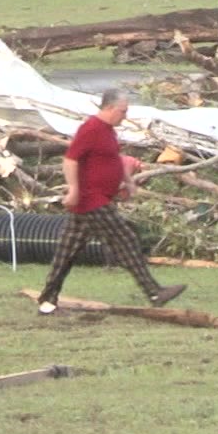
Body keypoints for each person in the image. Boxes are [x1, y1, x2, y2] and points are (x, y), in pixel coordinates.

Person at [37, 89, 185, 314]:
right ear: (108, 108)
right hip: (90, 199)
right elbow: (70, 160)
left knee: (67, 251)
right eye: (122, 111)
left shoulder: (108, 131)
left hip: (97, 200)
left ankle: (47, 302)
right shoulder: (90, 128)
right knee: (125, 239)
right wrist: (74, 189)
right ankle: (154, 292)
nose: (124, 116)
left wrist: (127, 180)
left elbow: (113, 159)